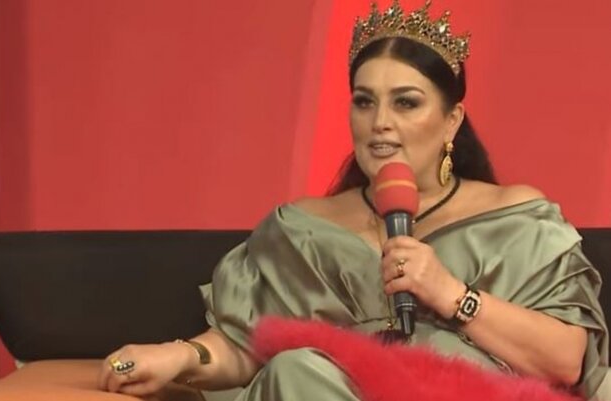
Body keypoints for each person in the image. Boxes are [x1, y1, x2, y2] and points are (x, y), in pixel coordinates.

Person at [97, 1, 609, 400]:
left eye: (405, 102)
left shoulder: (513, 218)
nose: (380, 122)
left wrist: (450, 293)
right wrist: (181, 355)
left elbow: (566, 360)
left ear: (451, 121)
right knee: (295, 369)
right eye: (365, 102)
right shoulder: (302, 228)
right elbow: (246, 345)